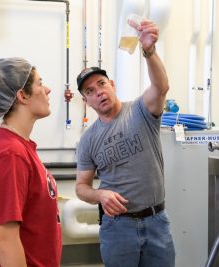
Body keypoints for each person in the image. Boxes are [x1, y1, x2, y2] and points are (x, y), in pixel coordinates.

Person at [71, 18, 175, 267]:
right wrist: (100, 195)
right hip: (117, 227)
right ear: (86, 101)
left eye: (101, 84)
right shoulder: (88, 140)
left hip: (156, 222)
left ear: (112, 85)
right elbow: (81, 187)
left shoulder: (140, 110)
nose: (99, 92)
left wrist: (148, 51)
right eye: (90, 91)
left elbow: (161, 87)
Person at [0, 57, 62, 267]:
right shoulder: (10, 154)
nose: (47, 90)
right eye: (40, 83)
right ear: (22, 95)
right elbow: (5, 239)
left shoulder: (20, 146)